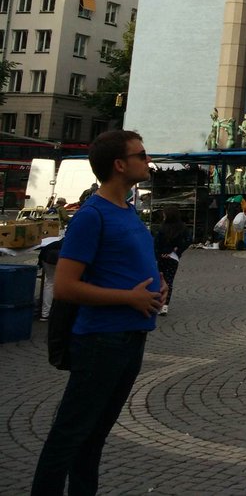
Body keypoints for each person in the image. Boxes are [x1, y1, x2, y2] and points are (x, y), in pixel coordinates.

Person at [31, 130, 165, 495]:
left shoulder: (128, 209)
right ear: (120, 165)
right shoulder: (92, 215)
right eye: (141, 154)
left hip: (130, 336)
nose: (147, 159)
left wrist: (156, 285)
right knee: (70, 435)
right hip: (101, 339)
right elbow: (66, 287)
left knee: (94, 438)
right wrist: (129, 298)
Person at [154, 206, 191, 316]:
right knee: (169, 281)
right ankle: (165, 306)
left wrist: (159, 255)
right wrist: (178, 249)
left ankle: (158, 303)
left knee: (159, 280)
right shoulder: (182, 227)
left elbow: (157, 244)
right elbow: (188, 240)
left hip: (161, 257)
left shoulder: (162, 228)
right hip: (173, 257)